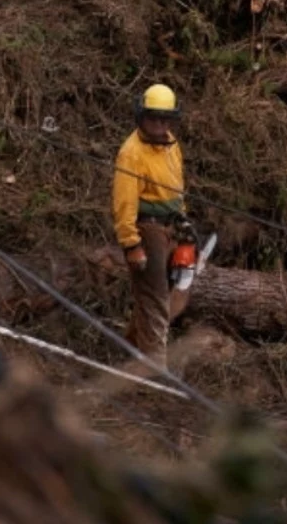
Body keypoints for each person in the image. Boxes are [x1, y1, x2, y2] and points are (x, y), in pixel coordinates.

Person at [112, 83, 186, 368]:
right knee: (155, 298)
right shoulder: (131, 153)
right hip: (147, 229)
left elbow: (177, 186)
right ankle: (155, 369)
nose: (158, 125)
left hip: (171, 225)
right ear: (141, 116)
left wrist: (183, 220)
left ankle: (131, 349)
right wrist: (131, 243)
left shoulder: (171, 143)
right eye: (153, 118)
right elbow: (124, 203)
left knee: (165, 292)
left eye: (164, 119)